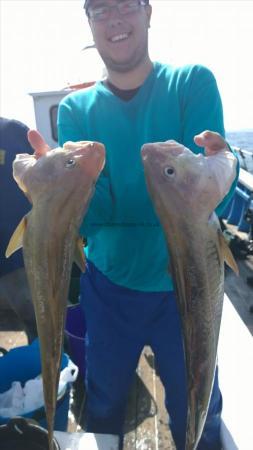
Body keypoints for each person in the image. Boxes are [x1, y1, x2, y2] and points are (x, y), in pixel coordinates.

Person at [56, 1, 239, 448]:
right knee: (102, 406)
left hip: (188, 295)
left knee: (201, 410)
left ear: (149, 12)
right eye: (100, 10)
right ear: (89, 23)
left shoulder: (192, 83)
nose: (115, 20)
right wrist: (54, 190)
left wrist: (222, 170)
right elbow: (92, 216)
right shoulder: (74, 109)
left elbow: (215, 198)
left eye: (126, 5)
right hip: (109, 291)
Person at [0, 117, 37, 344]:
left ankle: (58, 369)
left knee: (35, 317)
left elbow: (44, 172)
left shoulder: (13, 131)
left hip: (17, 253)